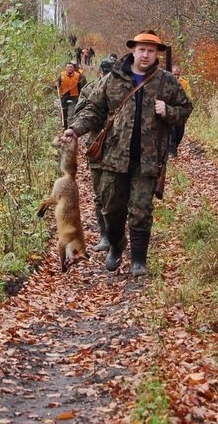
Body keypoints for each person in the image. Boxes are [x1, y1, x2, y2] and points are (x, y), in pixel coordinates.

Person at [64, 30, 193, 276]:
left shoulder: (167, 81)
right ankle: (116, 244)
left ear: (157, 54)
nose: (146, 55)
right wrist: (75, 130)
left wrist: (168, 111)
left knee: (141, 210)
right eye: (142, 49)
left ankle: (138, 261)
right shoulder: (113, 79)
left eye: (151, 50)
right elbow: (94, 110)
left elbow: (186, 108)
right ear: (133, 50)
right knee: (111, 209)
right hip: (113, 158)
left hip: (148, 159)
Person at [74, 61, 113, 253]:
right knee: (99, 195)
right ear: (100, 72)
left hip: (119, 147)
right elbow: (79, 115)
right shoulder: (89, 89)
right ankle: (105, 236)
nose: (106, 75)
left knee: (120, 195)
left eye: (110, 72)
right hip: (97, 146)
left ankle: (118, 235)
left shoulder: (123, 90)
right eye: (104, 71)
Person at [168, 64, 192, 157]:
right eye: (174, 74)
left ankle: (175, 147)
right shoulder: (166, 82)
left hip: (181, 111)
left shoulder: (184, 83)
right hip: (170, 111)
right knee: (172, 132)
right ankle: (172, 151)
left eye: (177, 74)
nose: (176, 76)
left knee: (179, 133)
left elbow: (189, 97)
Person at [56, 61, 86, 129]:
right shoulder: (61, 75)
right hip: (64, 97)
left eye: (71, 67)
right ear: (65, 68)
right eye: (68, 67)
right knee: (64, 113)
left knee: (72, 113)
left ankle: (71, 128)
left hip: (74, 97)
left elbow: (83, 86)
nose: (69, 68)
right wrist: (56, 85)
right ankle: (65, 127)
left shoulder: (78, 76)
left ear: (73, 68)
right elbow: (56, 86)